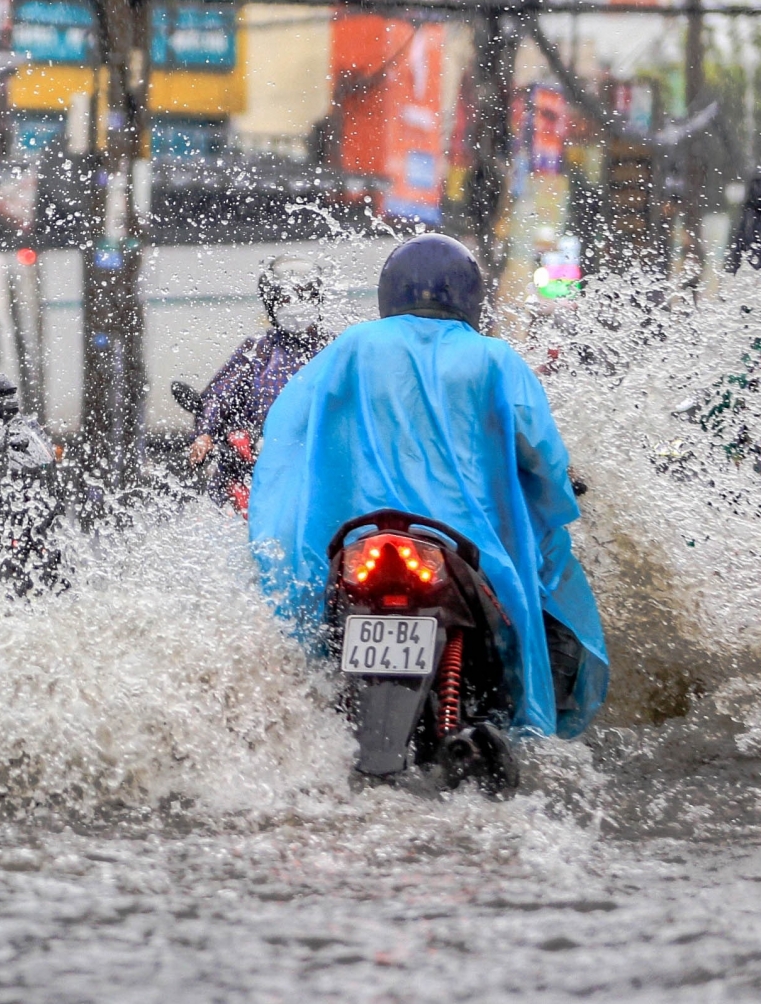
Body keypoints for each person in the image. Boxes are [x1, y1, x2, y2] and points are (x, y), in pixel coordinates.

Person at [245, 233, 608, 738]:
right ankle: (521, 732)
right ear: (469, 297)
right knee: (551, 605)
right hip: (468, 549)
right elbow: (542, 456)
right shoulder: (494, 359)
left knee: (314, 640)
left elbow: (290, 431)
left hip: (360, 542)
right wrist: (557, 494)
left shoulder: (353, 346)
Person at [187, 257, 332, 511]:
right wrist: (205, 433)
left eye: (303, 297)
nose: (296, 306)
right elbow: (219, 396)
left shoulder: (335, 350)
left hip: (319, 469)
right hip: (253, 467)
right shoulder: (257, 351)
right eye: (286, 300)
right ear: (272, 306)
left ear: (316, 300)